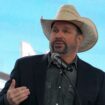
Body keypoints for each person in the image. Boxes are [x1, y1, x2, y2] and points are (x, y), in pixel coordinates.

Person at [0, 4, 105, 105]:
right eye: (55, 30)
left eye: (66, 31)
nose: (58, 35)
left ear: (79, 39)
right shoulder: (24, 67)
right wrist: (7, 100)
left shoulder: (97, 78)